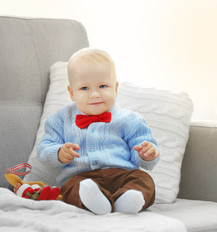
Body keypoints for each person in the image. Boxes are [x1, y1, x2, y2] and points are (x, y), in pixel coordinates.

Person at [37, 48, 160, 215]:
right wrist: (58, 153)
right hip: (82, 177)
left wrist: (146, 154)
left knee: (144, 180)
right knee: (70, 188)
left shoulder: (130, 119)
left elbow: (143, 148)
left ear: (115, 88)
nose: (95, 94)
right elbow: (44, 148)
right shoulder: (60, 119)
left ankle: (127, 202)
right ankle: (95, 202)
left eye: (103, 86)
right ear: (72, 93)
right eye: (84, 88)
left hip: (122, 175)